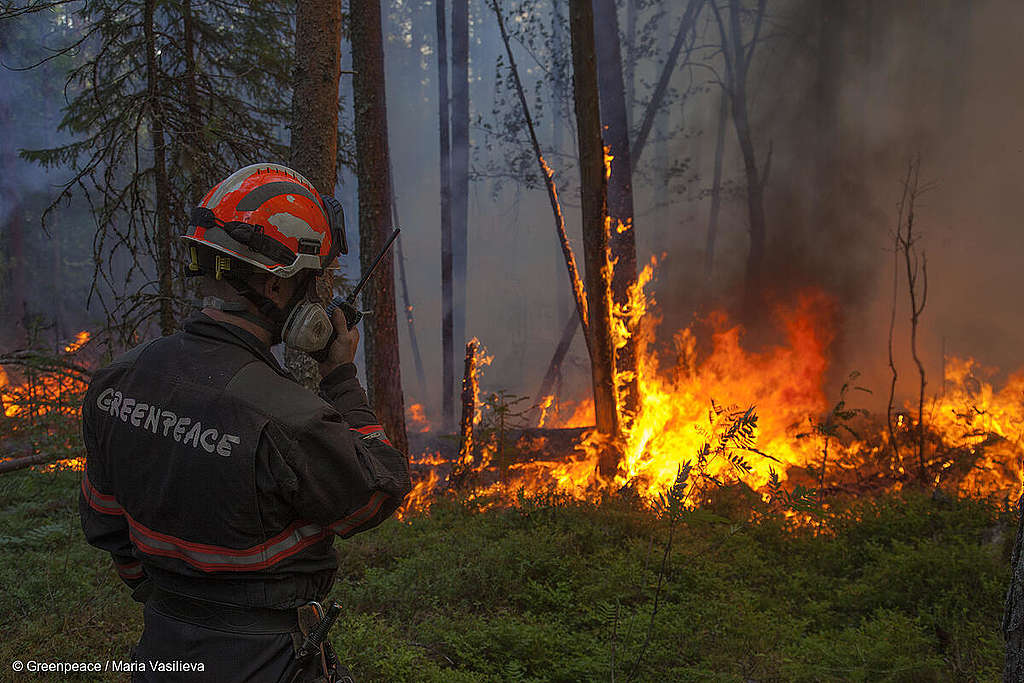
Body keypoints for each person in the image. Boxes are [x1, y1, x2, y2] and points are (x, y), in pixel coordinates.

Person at [78, 163, 411, 682]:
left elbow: (106, 524)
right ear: (274, 286)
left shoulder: (116, 382)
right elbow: (378, 495)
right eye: (310, 282)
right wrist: (341, 380)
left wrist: (177, 608)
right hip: (268, 663)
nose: (315, 298)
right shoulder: (290, 417)